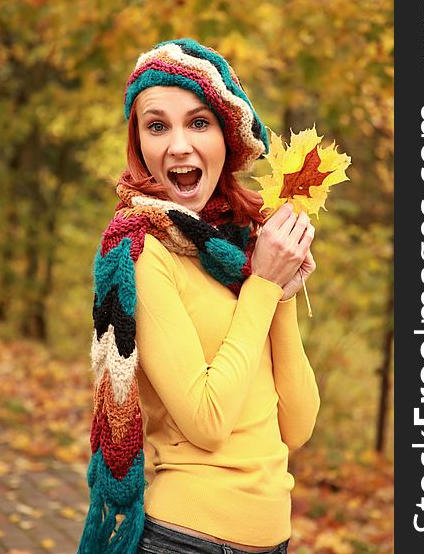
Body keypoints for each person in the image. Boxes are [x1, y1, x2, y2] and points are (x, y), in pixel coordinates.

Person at [78, 38, 320, 554]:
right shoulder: (141, 253)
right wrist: (264, 285)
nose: (180, 146)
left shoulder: (238, 251)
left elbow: (295, 427)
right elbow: (207, 424)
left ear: (227, 139)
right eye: (158, 125)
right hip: (186, 540)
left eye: (199, 122)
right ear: (138, 141)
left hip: (273, 539)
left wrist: (276, 297)